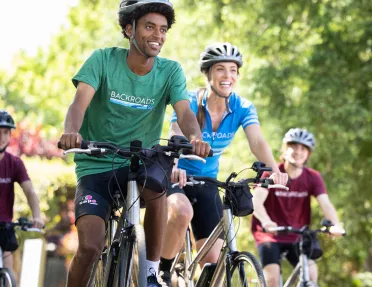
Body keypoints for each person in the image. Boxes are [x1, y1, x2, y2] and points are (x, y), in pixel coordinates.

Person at [58, 0, 211, 286]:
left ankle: (151, 272)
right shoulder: (102, 60)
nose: (158, 35)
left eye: (163, 29)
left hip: (141, 162)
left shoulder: (170, 71)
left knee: (157, 189)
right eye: (150, 27)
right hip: (96, 163)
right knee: (90, 247)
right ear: (129, 29)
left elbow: (185, 111)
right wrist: (71, 131)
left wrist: (195, 137)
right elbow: (78, 103)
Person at [158, 42, 288, 286]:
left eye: (233, 70)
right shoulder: (188, 100)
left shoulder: (242, 107)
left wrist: (275, 170)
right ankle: (162, 273)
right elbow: (176, 133)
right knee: (182, 211)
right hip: (176, 175)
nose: (227, 76)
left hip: (207, 180)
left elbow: (257, 141)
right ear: (207, 73)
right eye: (220, 69)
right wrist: (174, 166)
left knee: (212, 262)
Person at [251, 128, 344, 287]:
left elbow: (325, 204)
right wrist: (266, 221)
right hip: (270, 235)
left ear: (308, 154)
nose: (298, 151)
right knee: (272, 279)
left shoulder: (313, 177)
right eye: (293, 146)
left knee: (311, 274)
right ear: (285, 149)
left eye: (303, 148)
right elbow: (256, 200)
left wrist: (335, 224)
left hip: (297, 235)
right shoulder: (273, 173)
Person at [0, 110, 44, 276]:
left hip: (4, 227)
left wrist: (37, 216)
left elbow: (29, 191)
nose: (2, 137)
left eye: (6, 132)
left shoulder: (15, 163)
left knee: (8, 270)